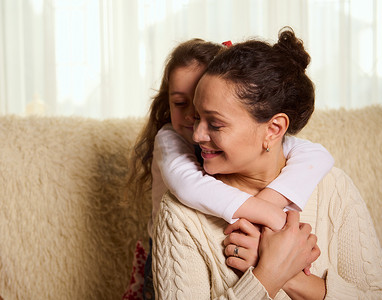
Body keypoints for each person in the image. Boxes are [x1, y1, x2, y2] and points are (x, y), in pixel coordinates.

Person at [152, 27, 382, 299]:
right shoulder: (180, 213)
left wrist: (289, 276)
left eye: (214, 123)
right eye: (198, 117)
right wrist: (267, 275)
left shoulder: (334, 188)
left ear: (273, 130)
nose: (197, 134)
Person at [127, 38, 334, 300]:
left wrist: (272, 205)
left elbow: (317, 154)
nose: (193, 120)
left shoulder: (333, 188)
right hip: (165, 250)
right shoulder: (169, 141)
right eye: (181, 104)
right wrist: (272, 218)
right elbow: (188, 186)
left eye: (208, 113)